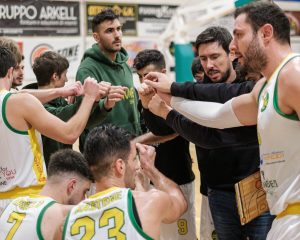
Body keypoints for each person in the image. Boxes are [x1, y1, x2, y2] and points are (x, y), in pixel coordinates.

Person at [145, 2, 300, 239]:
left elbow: (214, 127)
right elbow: (219, 116)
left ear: (266, 33)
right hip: (281, 215)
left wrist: (172, 95)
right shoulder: (265, 87)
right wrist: (171, 100)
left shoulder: (294, 74)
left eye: (238, 35)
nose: (234, 46)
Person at [0, 46, 102, 213]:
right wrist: (89, 98)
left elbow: (22, 93)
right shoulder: (20, 102)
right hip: (26, 201)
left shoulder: (18, 100)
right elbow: (69, 134)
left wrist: (60, 91)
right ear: (10, 71)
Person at [63, 124, 187, 240]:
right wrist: (150, 169)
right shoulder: (150, 203)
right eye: (134, 159)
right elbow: (180, 203)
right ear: (120, 166)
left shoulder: (69, 218)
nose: (137, 165)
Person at [133, 49, 196, 240]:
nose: (145, 81)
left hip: (177, 179)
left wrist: (136, 142)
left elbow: (171, 132)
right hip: (149, 179)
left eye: (149, 75)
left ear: (162, 71)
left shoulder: (175, 97)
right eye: (140, 76)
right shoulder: (141, 98)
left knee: (182, 236)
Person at [76, 8, 141, 151]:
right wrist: (106, 103)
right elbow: (83, 118)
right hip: (104, 151)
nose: (117, 35)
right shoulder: (87, 70)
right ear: (96, 37)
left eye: (119, 29)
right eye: (110, 31)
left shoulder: (124, 63)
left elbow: (131, 106)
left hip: (131, 144)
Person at [32, 51, 112, 166]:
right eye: (65, 75)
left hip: (62, 168)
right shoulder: (35, 104)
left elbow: (83, 123)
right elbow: (65, 118)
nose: (66, 80)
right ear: (55, 76)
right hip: (46, 172)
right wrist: (90, 97)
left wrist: (106, 105)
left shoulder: (60, 101)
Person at [0, 149, 94, 240]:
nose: (84, 199)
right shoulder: (58, 214)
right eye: (84, 192)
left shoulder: (13, 204)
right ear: (72, 186)